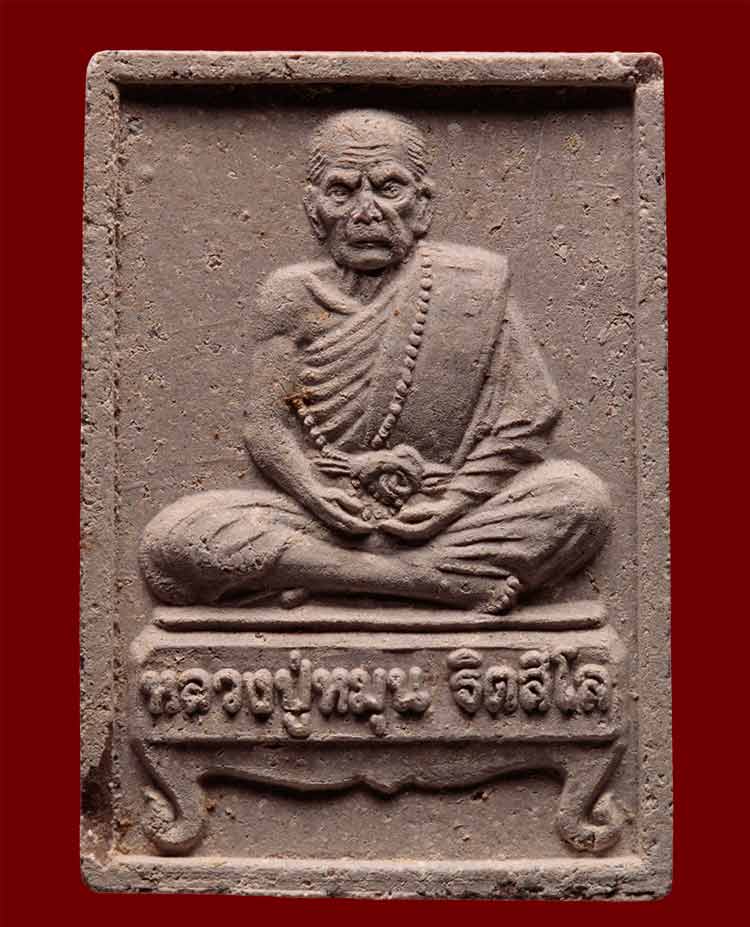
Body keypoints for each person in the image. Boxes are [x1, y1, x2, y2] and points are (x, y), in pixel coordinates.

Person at [140, 109, 612, 614]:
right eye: (342, 191)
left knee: (578, 499)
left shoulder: (472, 286)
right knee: (177, 538)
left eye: (389, 189)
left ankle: (330, 576)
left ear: (422, 205)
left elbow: (532, 414)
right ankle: (424, 581)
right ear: (314, 210)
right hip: (324, 514)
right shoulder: (290, 295)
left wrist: (451, 503)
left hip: (443, 513)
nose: (366, 211)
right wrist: (315, 493)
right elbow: (265, 427)